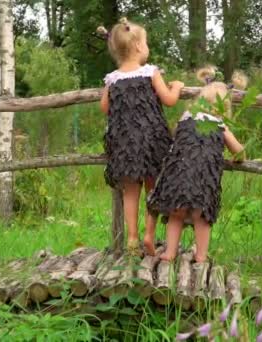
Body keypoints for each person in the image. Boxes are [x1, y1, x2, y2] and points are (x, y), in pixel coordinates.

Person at [97, 18, 184, 257]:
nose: (147, 47)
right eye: (145, 42)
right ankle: (149, 234)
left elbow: (105, 107)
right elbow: (169, 100)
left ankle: (132, 237)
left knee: (130, 191)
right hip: (152, 140)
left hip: (125, 144)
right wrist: (176, 86)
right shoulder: (150, 72)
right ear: (137, 46)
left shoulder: (112, 79)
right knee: (152, 187)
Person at [147, 65, 246, 262]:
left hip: (177, 176)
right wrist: (237, 158)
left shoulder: (184, 120)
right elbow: (240, 152)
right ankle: (201, 256)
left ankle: (169, 252)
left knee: (176, 214)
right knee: (202, 218)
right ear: (224, 107)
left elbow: (177, 142)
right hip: (203, 180)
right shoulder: (219, 125)